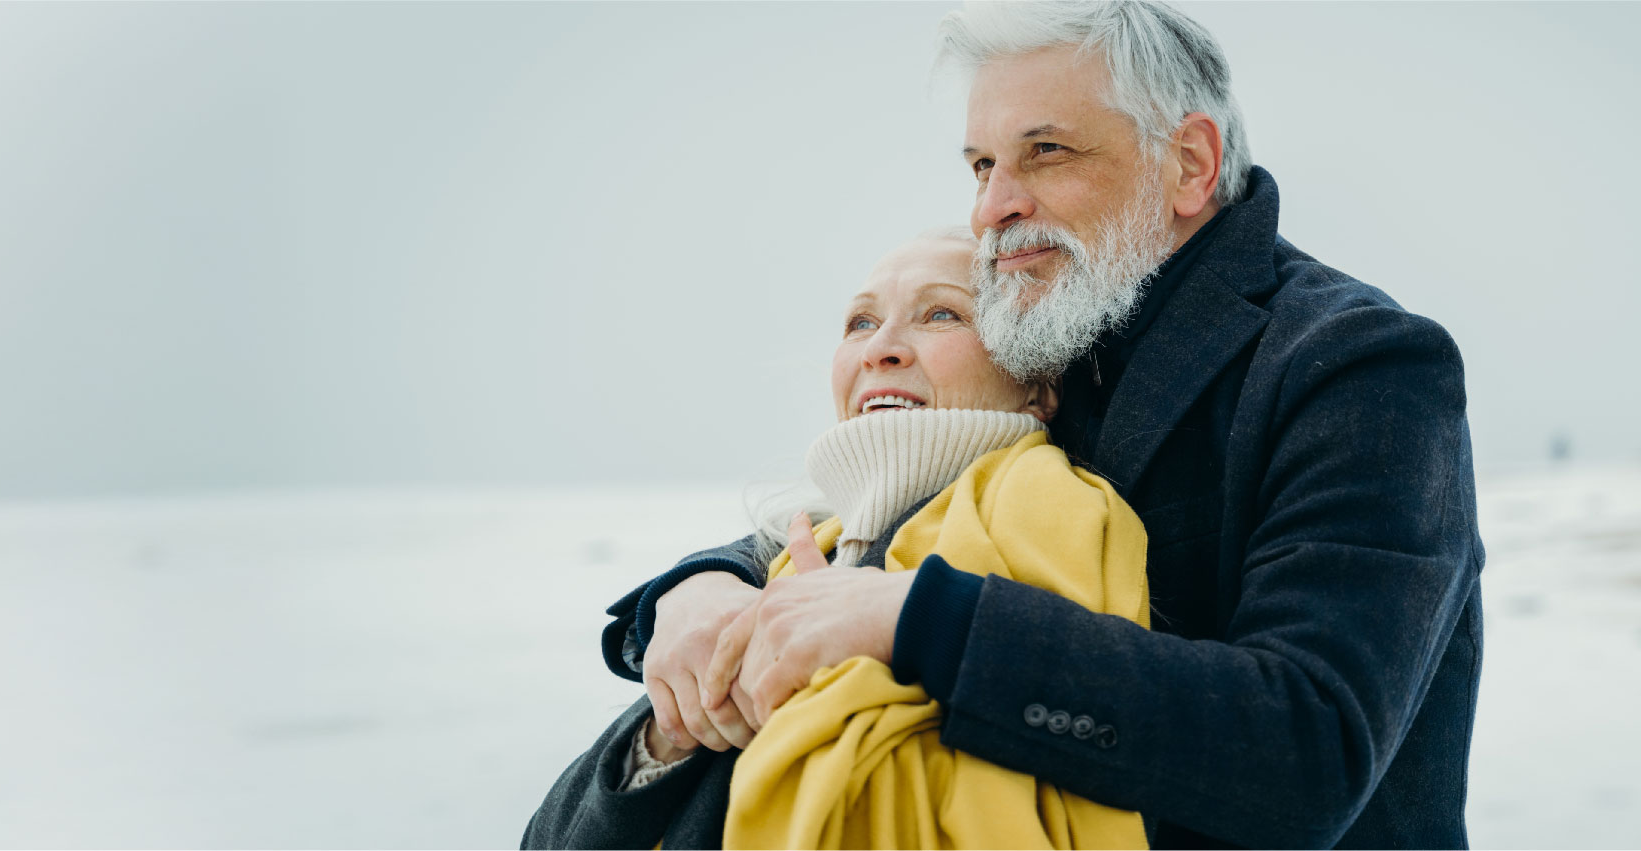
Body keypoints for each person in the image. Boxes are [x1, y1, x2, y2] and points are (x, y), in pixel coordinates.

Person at [593, 3, 1484, 849]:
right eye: (982, 166)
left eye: (1045, 152)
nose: (993, 207)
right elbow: (883, 503)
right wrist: (698, 587)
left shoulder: (1358, 363)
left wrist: (917, 619)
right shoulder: (1056, 334)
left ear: (1189, 164)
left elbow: (1309, 747)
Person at [523, 229, 1153, 849]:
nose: (880, 349)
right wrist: (671, 731)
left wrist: (836, 675)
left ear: (1039, 387)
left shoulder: (1054, 508)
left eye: (941, 313)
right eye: (860, 322)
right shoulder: (795, 555)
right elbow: (548, 840)